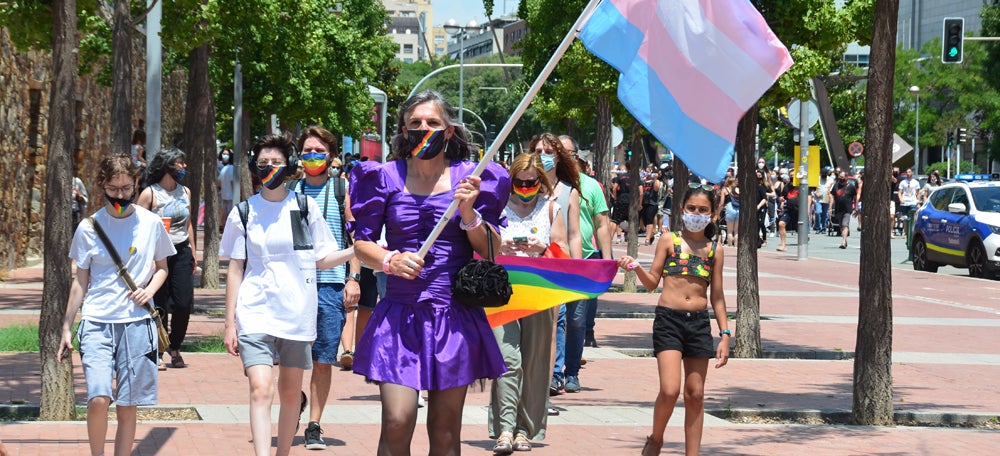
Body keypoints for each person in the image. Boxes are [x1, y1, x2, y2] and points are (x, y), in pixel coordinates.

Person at [348, 90, 509, 455]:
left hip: (454, 317)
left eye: (433, 123)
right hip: (399, 318)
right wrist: (389, 260)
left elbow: (492, 249)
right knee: (397, 420)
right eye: (415, 123)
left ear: (449, 131)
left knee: (446, 430)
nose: (424, 128)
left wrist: (469, 212)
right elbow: (362, 244)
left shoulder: (472, 177)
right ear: (404, 130)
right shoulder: (383, 177)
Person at [219, 134, 354, 456]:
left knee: (291, 393)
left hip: (297, 313)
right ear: (254, 168)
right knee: (260, 388)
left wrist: (356, 250)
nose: (270, 168)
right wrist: (229, 323)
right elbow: (236, 269)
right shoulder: (243, 213)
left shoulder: (304, 208)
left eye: (276, 163)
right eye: (263, 163)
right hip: (255, 312)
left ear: (289, 166)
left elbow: (322, 259)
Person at [59, 155, 175, 456]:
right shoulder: (88, 227)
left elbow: (162, 267)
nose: (121, 195)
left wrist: (148, 291)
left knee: (128, 404)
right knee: (98, 397)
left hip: (137, 324)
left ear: (136, 184)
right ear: (102, 186)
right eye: (114, 188)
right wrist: (67, 327)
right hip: (98, 321)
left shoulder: (150, 223)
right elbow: (80, 281)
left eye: (127, 188)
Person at [614, 184, 730, 456]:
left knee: (695, 394)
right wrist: (636, 267)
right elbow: (653, 283)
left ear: (712, 214)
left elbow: (718, 296)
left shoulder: (715, 250)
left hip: (699, 323)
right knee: (669, 390)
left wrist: (724, 334)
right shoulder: (670, 241)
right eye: (691, 209)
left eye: (703, 210)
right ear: (681, 210)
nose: (696, 214)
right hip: (669, 321)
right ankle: (656, 438)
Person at [488, 153, 569, 453]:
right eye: (519, 182)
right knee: (508, 360)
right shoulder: (498, 208)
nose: (524, 187)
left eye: (531, 182)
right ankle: (505, 429)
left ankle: (526, 429)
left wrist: (544, 245)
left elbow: (563, 249)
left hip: (539, 293)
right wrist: (501, 244)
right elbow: (484, 246)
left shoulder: (550, 209)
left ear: (540, 182)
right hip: (503, 292)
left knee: (534, 363)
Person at [292, 126, 362, 450]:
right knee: (292, 358)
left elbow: (356, 238)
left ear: (330, 156)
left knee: (323, 359)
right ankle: (298, 397)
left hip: (331, 285)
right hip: (295, 287)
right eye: (307, 151)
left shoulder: (342, 189)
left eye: (318, 151)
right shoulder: (291, 191)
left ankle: (314, 424)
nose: (312, 157)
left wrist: (353, 277)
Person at [530, 133, 584, 398]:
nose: (543, 156)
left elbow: (574, 234)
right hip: (526, 268)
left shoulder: (569, 191)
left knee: (556, 324)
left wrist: (575, 268)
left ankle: (552, 378)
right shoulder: (524, 185)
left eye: (548, 151)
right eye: (538, 150)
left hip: (555, 269)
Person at [136, 148, 196, 370]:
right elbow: (138, 226)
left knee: (183, 303)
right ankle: (158, 350)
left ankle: (175, 346)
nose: (183, 168)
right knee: (158, 303)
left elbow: (188, 223)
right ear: (167, 166)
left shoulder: (185, 192)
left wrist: (193, 252)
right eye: (178, 164)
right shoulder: (149, 194)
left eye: (183, 163)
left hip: (181, 251)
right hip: (157, 255)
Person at [559, 135, 611, 351]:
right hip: (553, 258)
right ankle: (555, 368)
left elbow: (602, 224)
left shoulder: (591, 186)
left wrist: (607, 261)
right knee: (558, 318)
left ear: (575, 156)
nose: (563, 158)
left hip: (585, 258)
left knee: (577, 318)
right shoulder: (543, 185)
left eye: (568, 154)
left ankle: (573, 362)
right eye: (557, 154)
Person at [776, 185, 812, 252]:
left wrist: (807, 211)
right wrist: (781, 200)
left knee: (801, 230)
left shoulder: (803, 186)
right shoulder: (787, 186)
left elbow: (809, 198)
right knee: (781, 224)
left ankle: (803, 246)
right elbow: (783, 197)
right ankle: (783, 245)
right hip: (789, 210)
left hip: (800, 211)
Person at [831, 171, 859, 249]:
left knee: (845, 224)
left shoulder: (851, 186)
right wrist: (830, 207)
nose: (841, 179)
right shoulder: (836, 185)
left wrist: (856, 208)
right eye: (840, 177)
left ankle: (843, 241)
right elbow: (832, 196)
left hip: (847, 209)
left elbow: (855, 198)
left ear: (846, 178)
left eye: (842, 177)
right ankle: (845, 239)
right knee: (841, 226)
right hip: (838, 208)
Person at [897, 167, 920, 241]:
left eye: (909, 172)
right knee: (905, 218)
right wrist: (901, 199)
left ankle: (912, 233)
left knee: (912, 218)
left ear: (912, 173)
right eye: (907, 172)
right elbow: (899, 192)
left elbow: (918, 193)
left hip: (913, 202)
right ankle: (906, 232)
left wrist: (918, 202)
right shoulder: (903, 182)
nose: (908, 174)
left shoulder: (916, 182)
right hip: (905, 203)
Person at [218, 148, 235, 224]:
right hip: (231, 196)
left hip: (224, 195)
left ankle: (223, 227)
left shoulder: (224, 169)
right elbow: (232, 182)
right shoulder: (231, 168)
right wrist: (237, 193)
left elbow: (219, 183)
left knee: (225, 213)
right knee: (230, 214)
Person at [721, 177, 739, 247]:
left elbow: (722, 202)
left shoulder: (725, 190)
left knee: (729, 231)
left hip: (730, 208)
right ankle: (736, 246)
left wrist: (719, 210)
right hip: (738, 209)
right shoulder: (738, 189)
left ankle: (730, 246)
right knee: (736, 231)